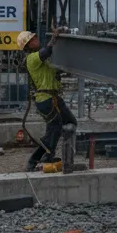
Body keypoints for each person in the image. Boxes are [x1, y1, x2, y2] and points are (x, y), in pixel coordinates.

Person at [16, 29, 78, 172]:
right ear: (27, 46)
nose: (36, 39)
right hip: (45, 100)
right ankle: (36, 159)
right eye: (32, 39)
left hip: (54, 98)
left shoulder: (44, 62)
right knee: (54, 129)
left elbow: (51, 65)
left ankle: (51, 154)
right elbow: (46, 52)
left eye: (35, 37)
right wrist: (54, 39)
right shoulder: (31, 59)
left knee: (70, 122)